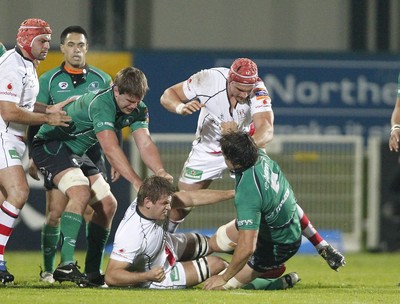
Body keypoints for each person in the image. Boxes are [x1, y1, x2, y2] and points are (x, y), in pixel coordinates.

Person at [160, 57, 345, 271]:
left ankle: (321, 245)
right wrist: (181, 107)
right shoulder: (208, 79)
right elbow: (167, 96)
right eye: (239, 89)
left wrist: (241, 147)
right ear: (230, 79)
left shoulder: (257, 89)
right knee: (180, 204)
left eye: (247, 89)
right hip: (208, 150)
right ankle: (161, 250)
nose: (243, 94)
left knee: (276, 196)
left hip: (245, 149)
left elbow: (266, 128)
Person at [31, 66, 173, 286]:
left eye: (138, 101)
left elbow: (144, 142)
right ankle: (65, 265)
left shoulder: (138, 109)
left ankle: (92, 272)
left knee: (108, 205)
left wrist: (160, 171)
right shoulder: (101, 102)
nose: (133, 106)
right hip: (51, 145)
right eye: (129, 100)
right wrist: (137, 181)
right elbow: (110, 148)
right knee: (80, 191)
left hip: (77, 151)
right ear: (116, 90)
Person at [26, 25, 119, 285]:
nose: (76, 50)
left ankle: (90, 270)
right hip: (58, 148)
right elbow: (37, 117)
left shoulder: (103, 80)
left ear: (86, 48)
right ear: (63, 48)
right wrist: (33, 155)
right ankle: (48, 270)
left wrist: (113, 155)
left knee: (97, 209)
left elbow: (112, 119)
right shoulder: (48, 80)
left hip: (91, 151)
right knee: (55, 211)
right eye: (71, 45)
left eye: (81, 45)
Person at [104, 175, 298, 290]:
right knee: (217, 265)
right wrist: (146, 277)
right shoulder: (131, 235)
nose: (169, 207)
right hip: (157, 274)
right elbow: (112, 276)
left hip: (165, 246)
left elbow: (191, 198)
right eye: (165, 204)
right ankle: (267, 283)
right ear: (147, 202)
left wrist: (232, 194)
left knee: (213, 243)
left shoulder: (151, 202)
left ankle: (256, 262)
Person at [0, 18, 72, 284]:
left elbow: (24, 104)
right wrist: (48, 119)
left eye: (48, 40)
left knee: (5, 201)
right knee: (19, 192)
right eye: (41, 40)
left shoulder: (29, 65)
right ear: (25, 40)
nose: (47, 46)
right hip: (3, 134)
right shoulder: (11, 65)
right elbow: (7, 110)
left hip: (14, 137)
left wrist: (47, 109)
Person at [201, 131, 302, 290]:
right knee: (216, 242)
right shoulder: (260, 155)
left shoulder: (248, 193)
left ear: (233, 161)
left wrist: (224, 277)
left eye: (224, 155)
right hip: (271, 226)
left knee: (221, 287)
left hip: (278, 244)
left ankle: (272, 281)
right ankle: (252, 269)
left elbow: (247, 247)